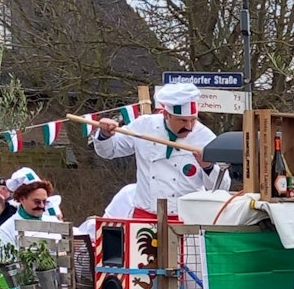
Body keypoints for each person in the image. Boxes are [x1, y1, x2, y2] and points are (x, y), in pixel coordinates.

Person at [91, 82, 229, 215]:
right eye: (182, 120)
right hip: (145, 214)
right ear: (166, 115)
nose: (189, 127)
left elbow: (222, 188)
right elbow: (109, 151)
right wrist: (105, 134)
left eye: (193, 120)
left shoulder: (207, 138)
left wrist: (208, 167)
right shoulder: (144, 125)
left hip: (188, 218)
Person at [0, 171, 62, 246]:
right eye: (37, 202)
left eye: (44, 201)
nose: (42, 206)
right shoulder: (7, 230)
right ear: (22, 199)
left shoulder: (54, 222)